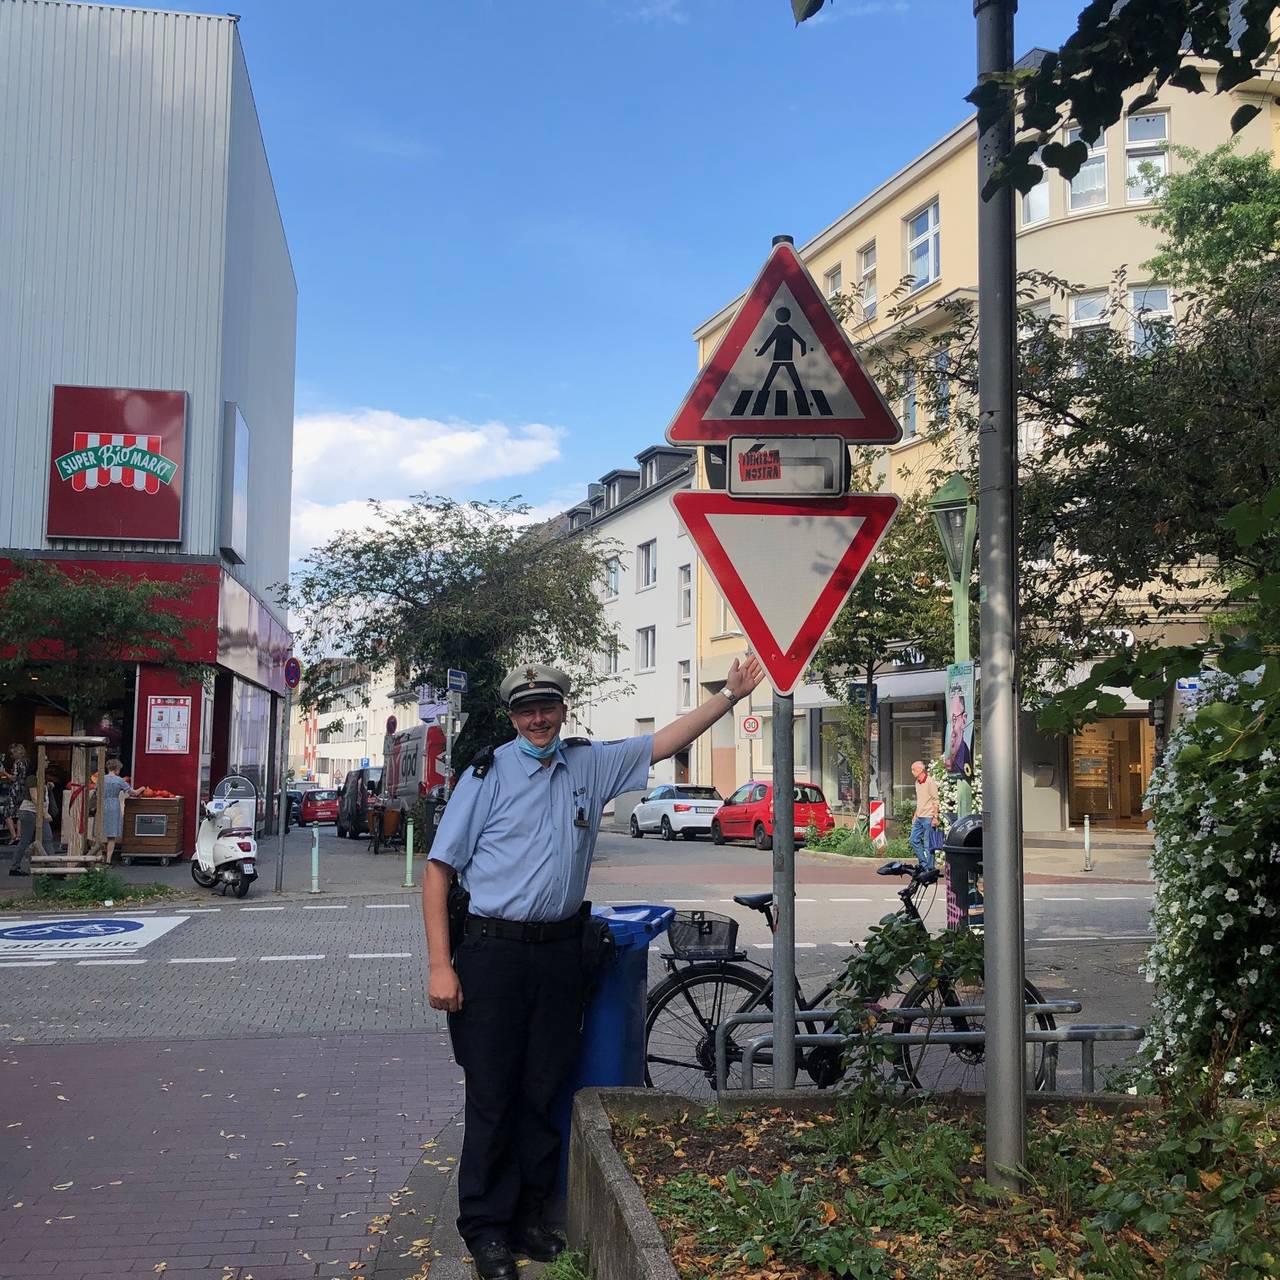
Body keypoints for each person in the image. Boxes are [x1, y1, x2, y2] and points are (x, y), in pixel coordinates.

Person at [424, 656, 765, 1280]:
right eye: (525, 710)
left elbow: (664, 741)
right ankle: (486, 1230)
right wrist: (440, 966)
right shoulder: (486, 774)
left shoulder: (589, 762)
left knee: (544, 1086)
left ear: (562, 708)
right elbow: (439, 870)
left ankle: (530, 1216)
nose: (537, 718)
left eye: (547, 706)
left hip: (559, 953)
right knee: (494, 1092)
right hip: (493, 955)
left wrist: (729, 697)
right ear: (511, 716)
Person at [10, 776, 54, 876]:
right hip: (30, 812)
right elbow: (34, 797)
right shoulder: (32, 778)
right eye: (46, 759)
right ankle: (15, 867)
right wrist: (44, 813)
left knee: (46, 838)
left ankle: (52, 866)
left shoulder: (41, 778)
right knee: (28, 840)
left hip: (36, 813)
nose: (47, 761)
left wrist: (47, 787)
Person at [100, 758, 137, 863]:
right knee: (111, 836)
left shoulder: (101, 779)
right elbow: (132, 792)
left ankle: (100, 856)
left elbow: (96, 793)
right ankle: (108, 860)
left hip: (102, 804)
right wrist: (142, 788)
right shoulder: (119, 780)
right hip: (114, 806)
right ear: (117, 769)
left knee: (100, 832)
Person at [908, 759, 940, 871]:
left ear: (921, 770)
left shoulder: (930, 782)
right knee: (913, 839)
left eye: (914, 769)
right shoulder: (917, 783)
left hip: (928, 817)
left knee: (928, 844)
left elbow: (935, 800)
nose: (912, 772)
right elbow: (920, 800)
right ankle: (924, 863)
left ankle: (929, 867)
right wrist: (915, 815)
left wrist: (935, 817)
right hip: (919, 817)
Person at [5, 745, 28, 847]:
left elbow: (13, 778)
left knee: (7, 813)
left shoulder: (17, 763)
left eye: (12, 754)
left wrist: (4, 772)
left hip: (15, 789)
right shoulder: (26, 762)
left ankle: (13, 836)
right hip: (23, 790)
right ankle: (19, 836)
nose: (11, 756)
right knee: (20, 813)